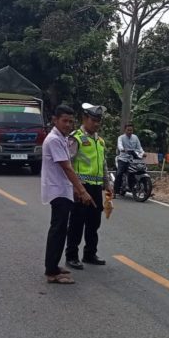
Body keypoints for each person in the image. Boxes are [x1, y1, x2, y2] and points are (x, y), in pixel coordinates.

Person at [41, 105, 93, 284]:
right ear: (55, 120)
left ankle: (54, 266)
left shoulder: (61, 138)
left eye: (71, 121)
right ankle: (51, 272)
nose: (68, 124)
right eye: (64, 120)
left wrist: (74, 190)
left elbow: (67, 168)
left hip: (63, 190)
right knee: (58, 230)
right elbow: (67, 167)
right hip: (58, 191)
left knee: (61, 230)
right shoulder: (54, 139)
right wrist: (82, 190)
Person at [65, 103, 114, 269]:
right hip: (81, 187)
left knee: (94, 223)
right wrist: (74, 188)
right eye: (93, 120)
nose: (97, 123)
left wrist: (108, 184)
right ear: (84, 119)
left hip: (95, 187)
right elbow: (68, 164)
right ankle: (71, 256)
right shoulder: (75, 138)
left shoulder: (100, 141)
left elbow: (103, 164)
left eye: (99, 121)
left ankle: (90, 253)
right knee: (77, 224)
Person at [114, 122, 144, 196]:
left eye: (131, 130)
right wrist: (123, 149)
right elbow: (119, 145)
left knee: (140, 170)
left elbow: (139, 147)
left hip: (133, 159)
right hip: (123, 159)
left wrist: (143, 153)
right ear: (125, 130)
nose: (130, 132)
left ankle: (144, 189)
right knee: (119, 174)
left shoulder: (135, 137)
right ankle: (115, 191)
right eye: (128, 130)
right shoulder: (121, 137)